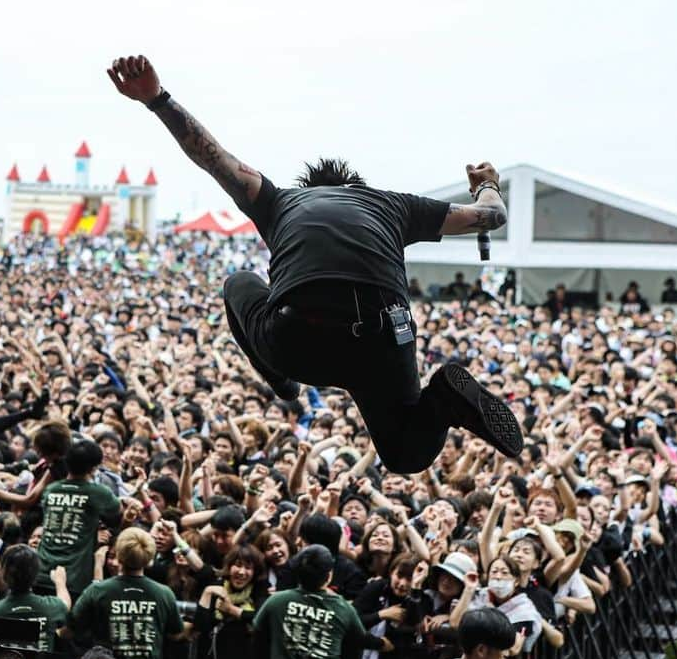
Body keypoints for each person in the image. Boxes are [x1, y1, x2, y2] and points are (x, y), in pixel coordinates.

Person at [106, 55, 521, 473]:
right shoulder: (395, 206)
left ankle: (280, 381)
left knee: (238, 283)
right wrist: (487, 182)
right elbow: (490, 216)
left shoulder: (280, 201)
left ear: (310, 188)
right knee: (406, 455)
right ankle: (444, 399)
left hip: (299, 339)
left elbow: (214, 158)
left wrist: (157, 99)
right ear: (354, 188)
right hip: (383, 339)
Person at [252, 545, 392, 659]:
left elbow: (257, 634)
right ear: (329, 575)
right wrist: (384, 644)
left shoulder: (276, 601)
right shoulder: (343, 608)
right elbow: (361, 639)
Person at [67, 527, 185, 659]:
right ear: (149, 558)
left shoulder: (97, 591)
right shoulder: (164, 594)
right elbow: (176, 633)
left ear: (120, 555)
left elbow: (71, 629)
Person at [36, 439, 122, 596]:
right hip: (74, 579)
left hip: (42, 574)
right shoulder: (99, 492)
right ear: (94, 468)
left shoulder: (50, 490)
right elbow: (116, 516)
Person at [0, 544, 71, 652]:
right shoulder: (51, 608)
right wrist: (60, 582)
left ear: (4, 573)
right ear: (36, 573)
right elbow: (65, 603)